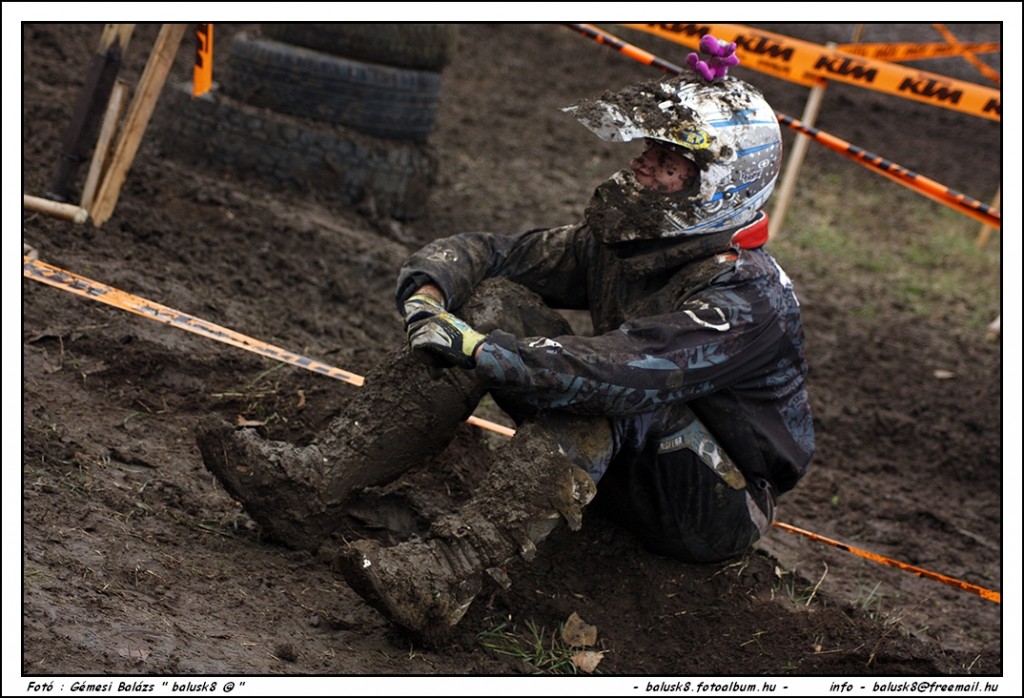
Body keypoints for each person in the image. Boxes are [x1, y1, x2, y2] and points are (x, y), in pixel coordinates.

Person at [198, 42, 814, 644]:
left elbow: (626, 370)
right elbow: (501, 253)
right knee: (495, 302)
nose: (642, 165)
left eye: (669, 161)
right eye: (648, 149)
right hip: (638, 452)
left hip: (715, 507)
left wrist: (479, 350)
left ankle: (449, 573)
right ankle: (313, 483)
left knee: (602, 390)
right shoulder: (632, 243)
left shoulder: (748, 296)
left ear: (717, 186)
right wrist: (430, 290)